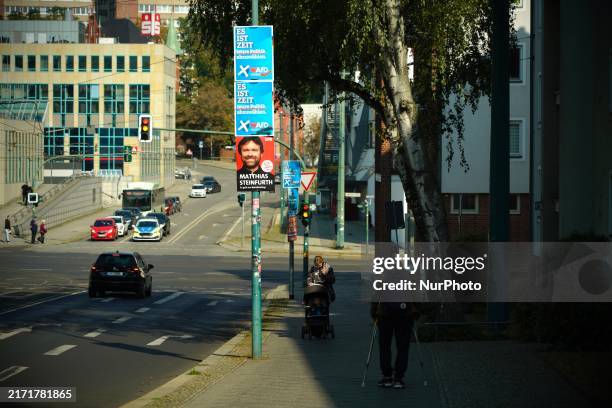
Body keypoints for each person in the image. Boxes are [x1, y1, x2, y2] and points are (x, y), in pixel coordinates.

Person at [370, 302, 419, 389]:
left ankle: (387, 376)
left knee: (384, 345)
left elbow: (377, 294)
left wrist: (374, 313)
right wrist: (416, 313)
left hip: (385, 313)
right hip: (404, 314)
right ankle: (398, 378)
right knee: (403, 346)